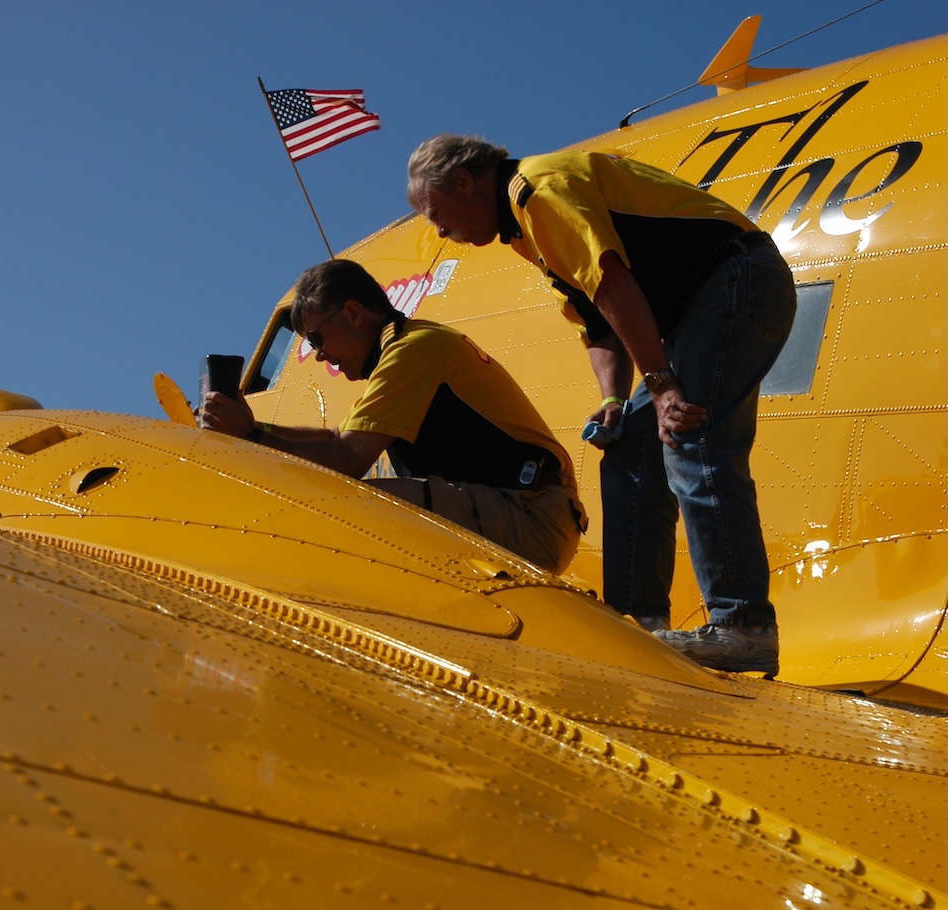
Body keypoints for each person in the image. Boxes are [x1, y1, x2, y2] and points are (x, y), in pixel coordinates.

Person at [406, 134, 796, 675]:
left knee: (688, 433)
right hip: (690, 313)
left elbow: (612, 282)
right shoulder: (524, 228)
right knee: (632, 446)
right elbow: (597, 319)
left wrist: (662, 387)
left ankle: (744, 626)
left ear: (466, 183)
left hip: (734, 279)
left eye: (436, 214)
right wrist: (614, 398)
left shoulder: (539, 190)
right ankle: (639, 625)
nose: (442, 232)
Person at [202, 258, 586, 575]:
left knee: (343, 506)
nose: (318, 354)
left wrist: (251, 438)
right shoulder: (406, 347)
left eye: (316, 338)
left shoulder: (411, 352)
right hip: (529, 509)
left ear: (353, 314)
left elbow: (345, 458)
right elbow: (334, 437)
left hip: (530, 515)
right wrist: (255, 428)